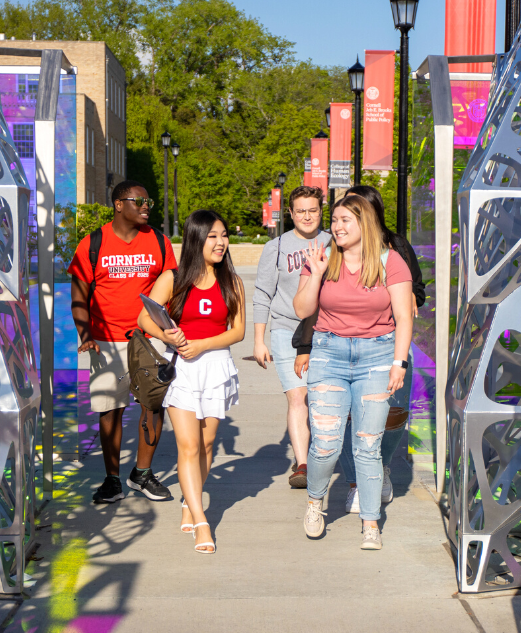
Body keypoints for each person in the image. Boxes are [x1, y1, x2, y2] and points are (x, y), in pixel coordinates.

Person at [293, 185, 426, 515]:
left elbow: (416, 294)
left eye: (349, 215)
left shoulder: (395, 250)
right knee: (344, 426)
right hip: (333, 349)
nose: (339, 224)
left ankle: (381, 470)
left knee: (391, 422)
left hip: (383, 348)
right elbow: (314, 311)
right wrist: (306, 348)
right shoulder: (330, 253)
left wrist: (406, 299)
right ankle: (356, 483)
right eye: (336, 217)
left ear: (369, 215)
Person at [138, 210, 244, 554]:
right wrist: (169, 338)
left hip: (215, 368)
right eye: (213, 236)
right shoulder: (173, 278)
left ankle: (190, 499)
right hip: (182, 370)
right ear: (197, 238)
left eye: (224, 235)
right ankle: (201, 521)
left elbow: (237, 331)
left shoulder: (232, 281)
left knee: (208, 444)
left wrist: (202, 345)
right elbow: (144, 317)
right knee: (189, 446)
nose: (221, 243)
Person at [70, 181, 176, 505]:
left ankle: (142, 473)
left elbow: (172, 286)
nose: (146, 206)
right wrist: (85, 333)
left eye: (149, 202)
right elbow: (79, 295)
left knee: (152, 406)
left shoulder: (159, 242)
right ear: (118, 204)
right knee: (110, 410)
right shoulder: (93, 244)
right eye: (138, 201)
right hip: (106, 341)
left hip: (149, 341)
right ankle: (112, 479)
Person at [251, 187, 332, 489]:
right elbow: (262, 294)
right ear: (291, 213)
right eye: (301, 211)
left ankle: (324, 454)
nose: (307, 216)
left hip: (326, 330)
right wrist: (259, 340)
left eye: (312, 210)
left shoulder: (334, 242)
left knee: (321, 397)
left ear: (321, 210)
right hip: (287, 329)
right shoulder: (277, 247)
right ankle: (303, 464)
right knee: (297, 396)